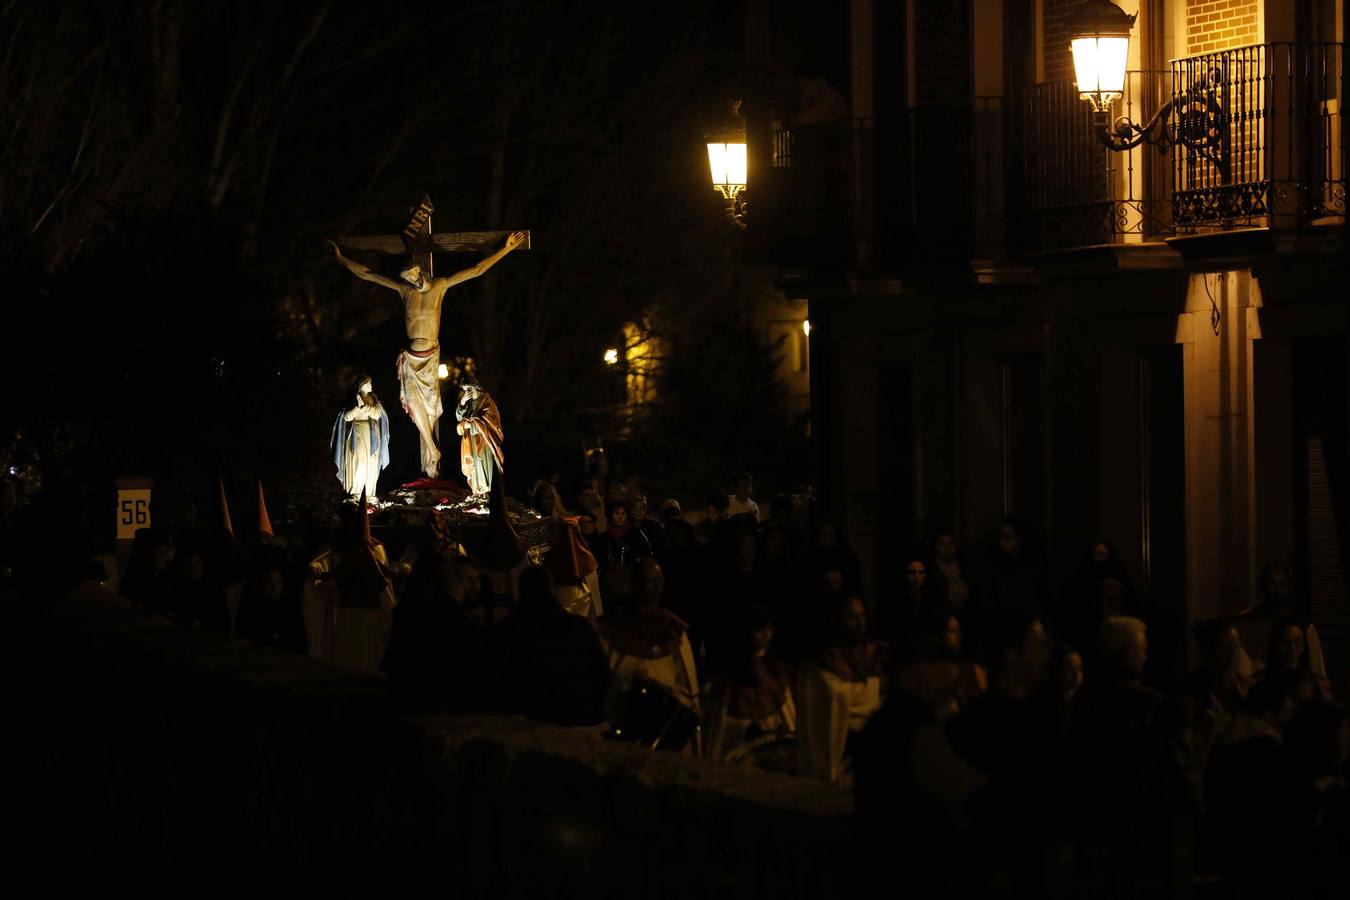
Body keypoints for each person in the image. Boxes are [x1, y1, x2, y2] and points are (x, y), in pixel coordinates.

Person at [328, 231, 525, 477]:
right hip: (411, 356)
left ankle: (434, 459)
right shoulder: (404, 291)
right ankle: (432, 449)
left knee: (431, 406)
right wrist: (341, 259)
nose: (412, 281)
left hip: (430, 355)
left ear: (421, 271)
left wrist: (505, 249)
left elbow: (476, 269)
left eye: (413, 275)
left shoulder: (439, 286)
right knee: (411, 403)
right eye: (408, 278)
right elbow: (369, 275)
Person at [488, 565, 609, 727]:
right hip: (577, 719)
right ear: (552, 589)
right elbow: (601, 674)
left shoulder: (505, 632)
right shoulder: (578, 628)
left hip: (528, 722)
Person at [596, 558, 700, 731]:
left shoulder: (674, 630)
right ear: (634, 584)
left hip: (665, 721)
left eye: (657, 581)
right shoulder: (611, 629)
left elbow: (687, 684)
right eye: (646, 581)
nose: (652, 587)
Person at [382, 550, 484, 711]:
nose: (471, 587)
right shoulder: (444, 612)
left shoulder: (408, 608)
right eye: (466, 580)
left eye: (476, 580)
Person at [703, 604, 797, 764]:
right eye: (758, 629)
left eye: (768, 628)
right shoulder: (729, 679)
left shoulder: (775, 671)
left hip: (772, 747)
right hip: (739, 748)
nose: (765, 634)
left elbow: (787, 714)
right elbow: (717, 727)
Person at [1236, 562, 1326, 680]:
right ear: (1263, 587)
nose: (1277, 590)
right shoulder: (1245, 623)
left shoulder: (1303, 624)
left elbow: (1317, 667)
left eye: (1282, 584)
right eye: (1271, 585)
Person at [330, 375, 390, 501]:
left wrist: (365, 407)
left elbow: (378, 414)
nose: (371, 385)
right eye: (368, 383)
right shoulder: (352, 399)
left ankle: (368, 492)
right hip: (356, 436)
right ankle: (356, 491)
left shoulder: (373, 399)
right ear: (361, 385)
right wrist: (357, 407)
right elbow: (346, 417)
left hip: (372, 435)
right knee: (359, 463)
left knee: (371, 463)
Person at [454, 381, 505, 498]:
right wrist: (462, 402)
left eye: (469, 389)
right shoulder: (468, 403)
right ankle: (477, 492)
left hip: (485, 441)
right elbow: (459, 417)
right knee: (476, 466)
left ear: (475, 387)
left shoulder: (486, 401)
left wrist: (470, 425)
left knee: (483, 465)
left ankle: (487, 493)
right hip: (472, 442)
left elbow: (490, 421)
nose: (467, 392)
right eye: (464, 390)